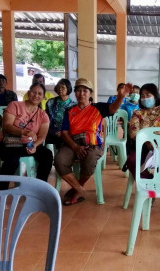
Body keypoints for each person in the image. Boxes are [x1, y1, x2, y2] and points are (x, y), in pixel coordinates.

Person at [54, 78, 132, 206]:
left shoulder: (98, 107)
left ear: (90, 93)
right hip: (73, 144)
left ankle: (77, 188)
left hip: (93, 145)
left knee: (90, 160)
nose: (81, 93)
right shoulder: (69, 111)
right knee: (60, 160)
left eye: (85, 90)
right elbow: (64, 133)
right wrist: (75, 147)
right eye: (78, 91)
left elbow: (112, 109)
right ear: (75, 93)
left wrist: (121, 96)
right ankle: (80, 190)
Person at [0, 82, 53, 207]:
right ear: (28, 93)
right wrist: (25, 131)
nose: (36, 95)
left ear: (43, 97)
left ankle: (39, 190)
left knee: (47, 155)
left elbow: (42, 136)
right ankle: (0, 193)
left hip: (27, 145)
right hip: (8, 143)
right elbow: (7, 127)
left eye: (40, 94)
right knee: (12, 160)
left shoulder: (43, 115)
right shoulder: (14, 105)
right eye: (33, 92)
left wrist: (35, 146)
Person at [45, 79, 76, 148]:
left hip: (66, 133)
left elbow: (74, 123)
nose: (60, 89)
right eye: (58, 87)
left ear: (68, 88)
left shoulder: (74, 105)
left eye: (63, 87)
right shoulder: (50, 102)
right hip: (50, 132)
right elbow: (45, 118)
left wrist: (63, 132)